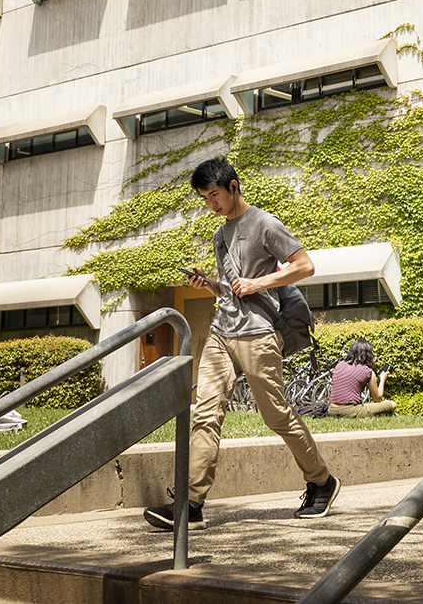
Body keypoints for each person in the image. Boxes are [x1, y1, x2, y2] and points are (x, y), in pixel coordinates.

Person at [145, 157, 339, 531]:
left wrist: (259, 284)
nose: (211, 204)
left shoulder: (265, 224)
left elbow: (305, 265)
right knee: (205, 412)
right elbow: (229, 289)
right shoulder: (220, 235)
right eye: (204, 198)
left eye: (214, 195)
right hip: (222, 331)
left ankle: (321, 482)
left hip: (259, 333)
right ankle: (191, 504)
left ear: (233, 186)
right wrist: (210, 285)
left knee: (275, 415)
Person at [327, 339, 396, 417]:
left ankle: (389, 414)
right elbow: (377, 398)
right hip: (350, 411)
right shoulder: (367, 371)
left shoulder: (339, 365)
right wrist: (382, 379)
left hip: (331, 410)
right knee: (392, 404)